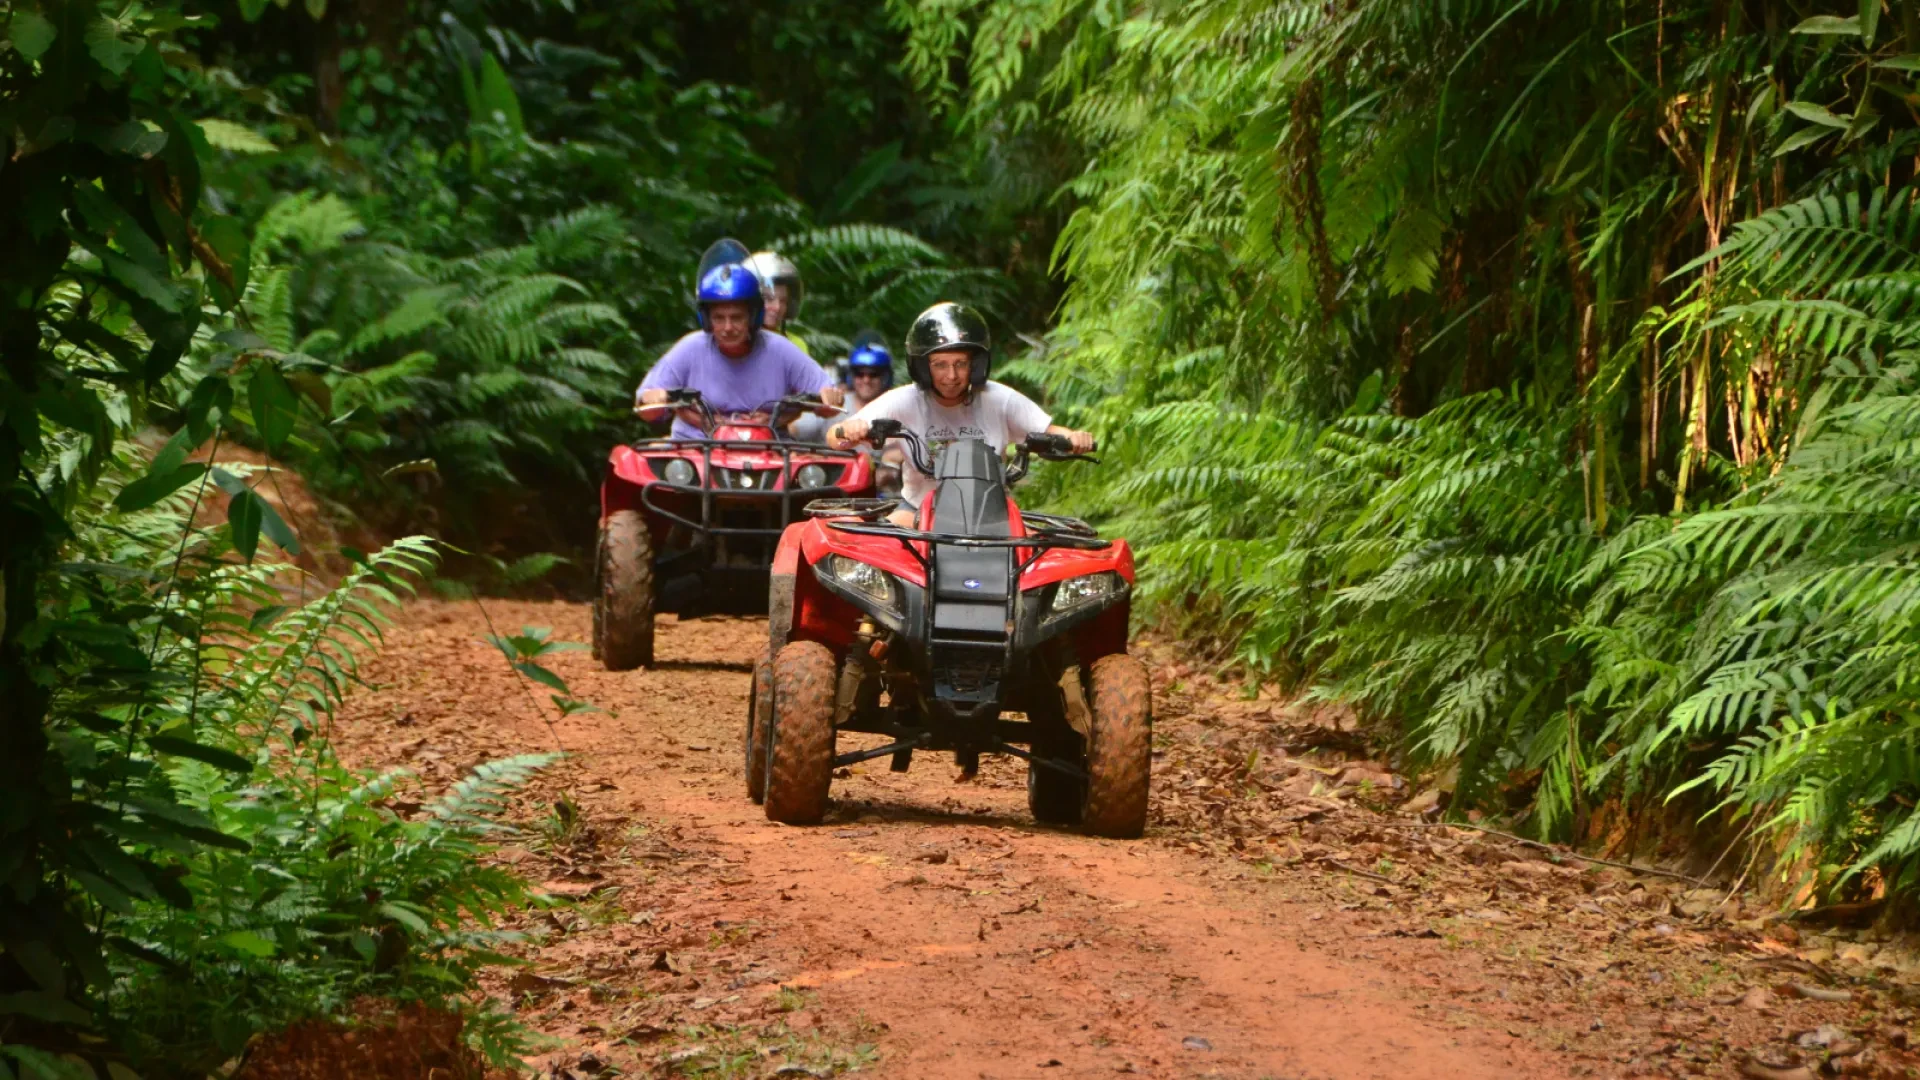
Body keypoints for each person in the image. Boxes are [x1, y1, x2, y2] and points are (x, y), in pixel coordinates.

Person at [825, 302, 1093, 525]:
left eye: (960, 364)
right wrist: (850, 430)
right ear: (923, 367)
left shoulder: (999, 399)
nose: (951, 376)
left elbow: (1049, 432)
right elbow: (834, 438)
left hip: (992, 514)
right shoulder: (906, 399)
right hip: (918, 511)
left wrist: (1074, 437)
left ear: (975, 365)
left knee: (1041, 564)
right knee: (871, 549)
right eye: (940, 365)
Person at [636, 243, 842, 438]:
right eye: (718, 318)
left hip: (768, 455)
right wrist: (653, 399)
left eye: (736, 318)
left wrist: (827, 399)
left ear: (753, 317)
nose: (727, 328)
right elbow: (647, 408)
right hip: (694, 452)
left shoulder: (781, 350)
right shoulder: (690, 348)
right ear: (707, 320)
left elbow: (828, 400)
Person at [746, 250, 811, 357]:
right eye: (769, 299)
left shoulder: (795, 345)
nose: (777, 307)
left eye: (783, 301)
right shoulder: (733, 341)